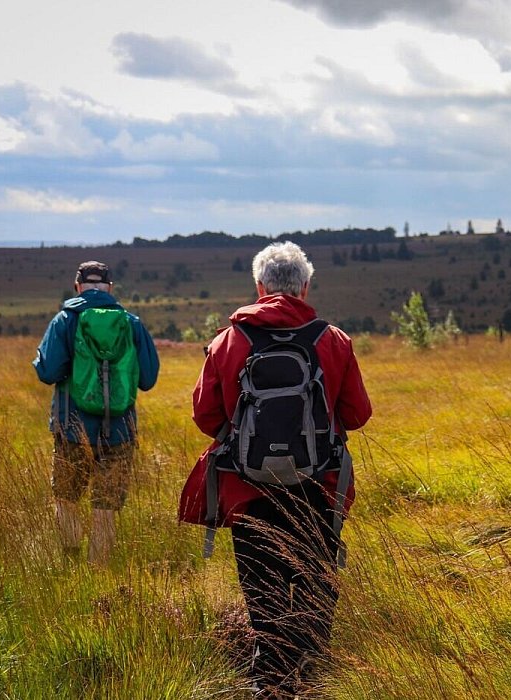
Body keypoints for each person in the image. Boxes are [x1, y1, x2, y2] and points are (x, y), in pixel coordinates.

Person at [180, 241, 371, 695]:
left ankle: (270, 680)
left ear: (259, 286)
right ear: (305, 287)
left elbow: (205, 416)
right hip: (318, 486)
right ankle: (314, 675)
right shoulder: (333, 340)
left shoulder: (230, 340)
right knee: (315, 579)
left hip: (248, 488)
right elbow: (358, 414)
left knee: (261, 585)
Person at [33, 261, 159, 566]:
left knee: (67, 498)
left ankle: (71, 564)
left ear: (77, 287)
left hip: (72, 431)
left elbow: (48, 372)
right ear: (110, 289)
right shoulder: (131, 323)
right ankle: (98, 571)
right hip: (120, 433)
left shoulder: (65, 321)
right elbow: (148, 379)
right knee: (106, 506)